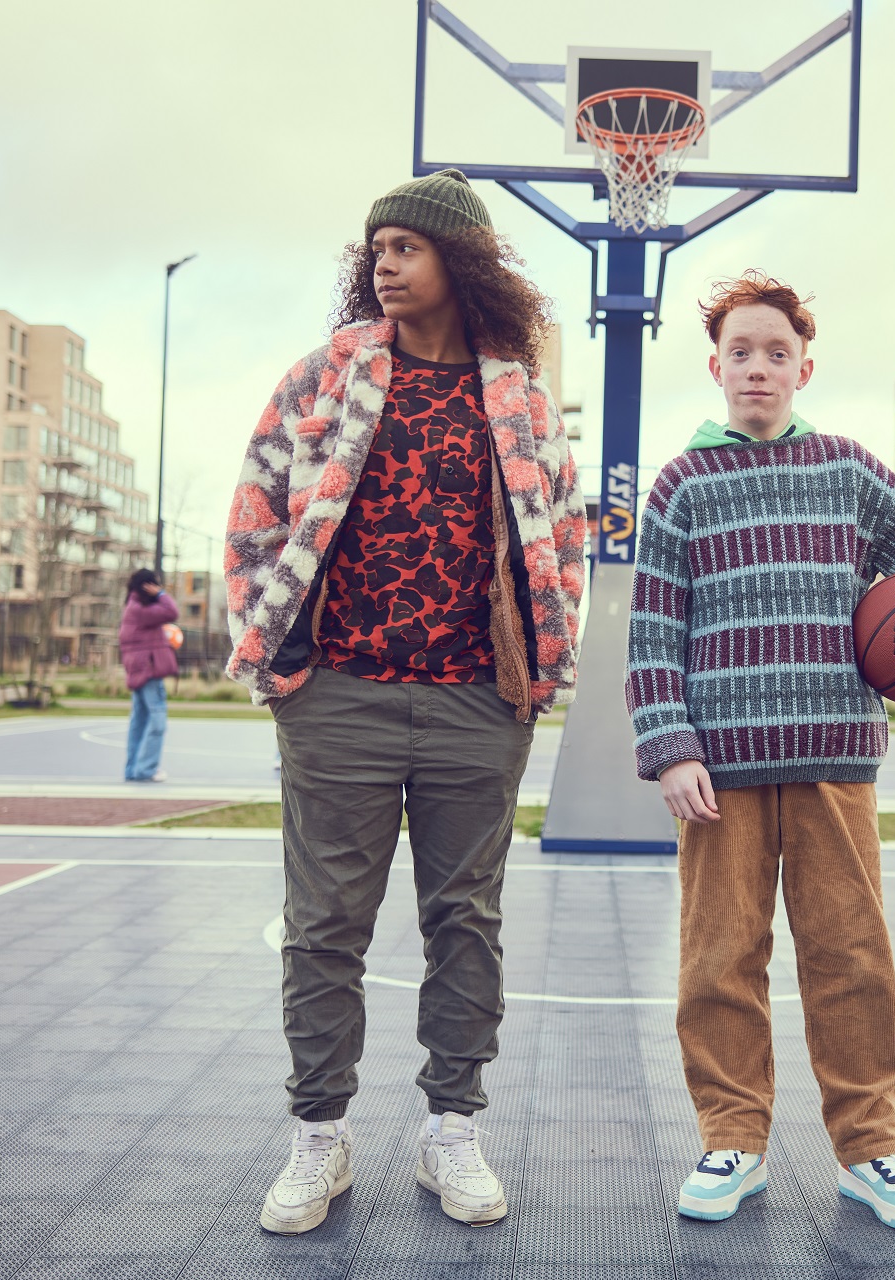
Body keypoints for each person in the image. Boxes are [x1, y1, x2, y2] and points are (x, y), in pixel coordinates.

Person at [625, 272, 895, 1233]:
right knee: (718, 956)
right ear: (716, 367)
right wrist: (669, 744)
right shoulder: (682, 485)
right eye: (741, 352)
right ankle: (732, 1138)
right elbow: (652, 633)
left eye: (776, 352)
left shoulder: (849, 472)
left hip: (834, 760)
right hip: (717, 773)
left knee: (850, 955)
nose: (758, 367)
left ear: (804, 366)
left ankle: (872, 1147)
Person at [222, 169, 585, 1235]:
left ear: (459, 263)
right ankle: (319, 1134)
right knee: (325, 924)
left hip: (479, 698)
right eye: (374, 246)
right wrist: (282, 661)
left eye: (407, 247)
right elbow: (255, 506)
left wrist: (540, 673)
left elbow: (560, 531)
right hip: (340, 692)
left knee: (465, 918)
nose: (384, 262)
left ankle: (451, 1125)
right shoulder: (327, 374)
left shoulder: (514, 389)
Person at [118, 569, 178, 782]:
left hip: (139, 672)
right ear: (147, 586)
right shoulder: (141, 610)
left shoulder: (132, 608)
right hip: (148, 672)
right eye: (155, 585)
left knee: (139, 721)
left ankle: (133, 769)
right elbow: (172, 612)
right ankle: (146, 769)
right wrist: (161, 594)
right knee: (157, 722)